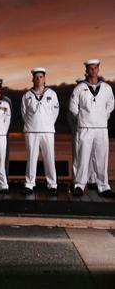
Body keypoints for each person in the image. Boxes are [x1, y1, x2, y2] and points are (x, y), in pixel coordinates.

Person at [69, 59, 114, 197]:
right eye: (90, 68)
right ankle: (80, 185)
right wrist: (83, 118)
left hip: (101, 128)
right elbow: (72, 107)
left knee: (101, 158)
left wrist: (103, 116)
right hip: (85, 128)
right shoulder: (79, 88)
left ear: (98, 69)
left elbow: (111, 105)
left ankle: (103, 186)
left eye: (95, 68)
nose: (93, 71)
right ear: (86, 70)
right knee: (83, 157)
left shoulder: (106, 88)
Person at [21, 68, 60, 196]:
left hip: (47, 131)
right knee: (31, 158)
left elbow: (55, 112)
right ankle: (29, 184)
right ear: (33, 79)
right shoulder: (27, 96)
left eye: (41, 77)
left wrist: (48, 124)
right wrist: (32, 124)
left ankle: (52, 184)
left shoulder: (52, 94)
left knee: (49, 158)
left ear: (44, 79)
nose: (38, 79)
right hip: (31, 131)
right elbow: (24, 114)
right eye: (36, 77)